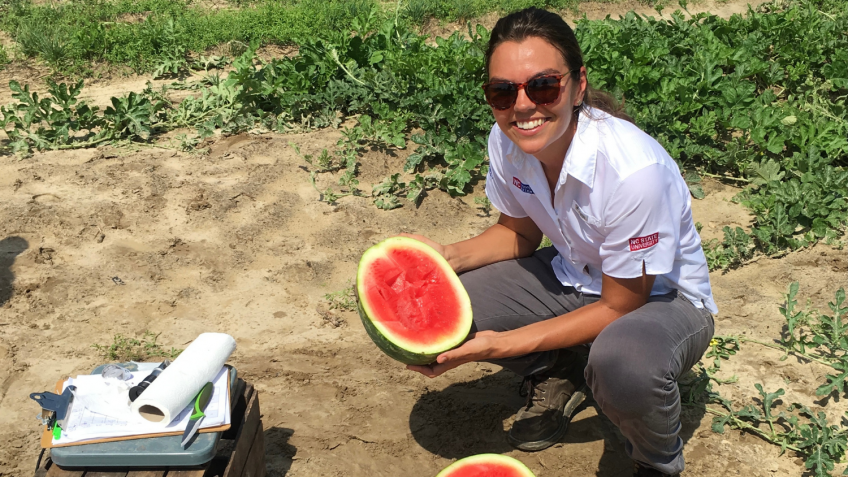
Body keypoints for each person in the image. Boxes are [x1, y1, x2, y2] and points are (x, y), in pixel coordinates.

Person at [402, 7, 717, 477]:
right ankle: (556, 370)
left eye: (543, 85)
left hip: (659, 300)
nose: (523, 106)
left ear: (578, 84)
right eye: (502, 92)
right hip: (574, 275)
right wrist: (442, 259)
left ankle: (656, 463)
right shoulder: (507, 140)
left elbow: (619, 306)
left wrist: (503, 344)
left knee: (624, 363)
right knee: (435, 309)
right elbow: (519, 233)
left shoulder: (632, 172)